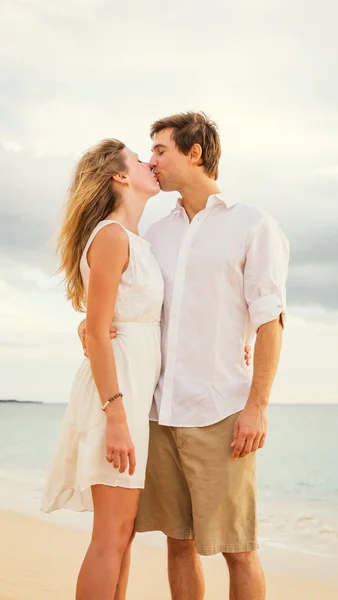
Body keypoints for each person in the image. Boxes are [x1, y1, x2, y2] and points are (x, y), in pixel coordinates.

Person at [81, 112, 289, 600]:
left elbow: (270, 321)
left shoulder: (253, 224)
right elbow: (134, 300)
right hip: (158, 410)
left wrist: (257, 405)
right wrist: (89, 325)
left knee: (239, 549)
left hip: (221, 409)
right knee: (179, 544)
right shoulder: (156, 232)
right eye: (149, 152)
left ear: (194, 153)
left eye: (160, 150)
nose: (152, 160)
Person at [41, 139, 164, 600]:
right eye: (139, 159)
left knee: (122, 533)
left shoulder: (135, 241)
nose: (150, 163)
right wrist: (115, 414)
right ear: (120, 177)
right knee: (110, 535)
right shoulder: (111, 237)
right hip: (117, 394)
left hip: (132, 388)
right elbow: (96, 332)